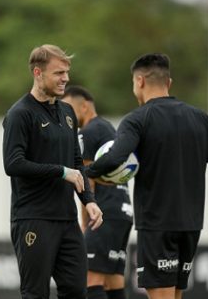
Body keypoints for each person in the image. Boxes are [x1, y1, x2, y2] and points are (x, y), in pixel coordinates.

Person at [85, 53, 208, 299]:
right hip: (191, 225)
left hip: (157, 225)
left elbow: (116, 157)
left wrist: (85, 173)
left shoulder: (137, 119)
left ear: (139, 81)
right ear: (168, 83)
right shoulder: (201, 119)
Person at [2, 44, 103, 299]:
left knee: (77, 292)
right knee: (35, 293)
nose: (66, 79)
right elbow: (12, 164)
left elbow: (77, 162)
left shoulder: (67, 112)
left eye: (67, 72)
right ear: (38, 72)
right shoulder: (19, 114)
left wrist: (88, 200)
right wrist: (60, 172)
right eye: (59, 73)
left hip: (67, 221)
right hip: (33, 219)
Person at [62, 85, 132, 299]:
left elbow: (87, 179)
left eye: (69, 108)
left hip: (103, 213)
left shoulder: (88, 132)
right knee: (113, 282)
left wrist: (85, 220)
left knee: (89, 279)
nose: (66, 114)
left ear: (84, 106)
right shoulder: (109, 128)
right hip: (123, 212)